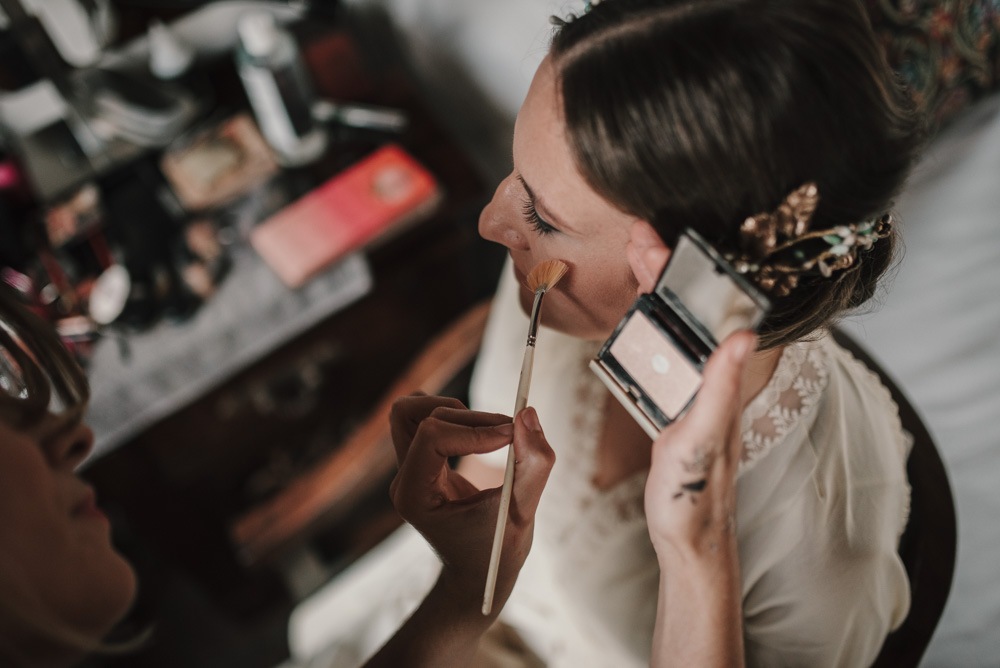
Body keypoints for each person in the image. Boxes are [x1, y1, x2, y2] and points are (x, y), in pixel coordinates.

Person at [460, 0, 924, 665]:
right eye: (518, 177)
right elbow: (485, 475)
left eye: (542, 215)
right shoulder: (548, 290)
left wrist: (696, 552)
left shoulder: (823, 550)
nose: (489, 221)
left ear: (686, 277)